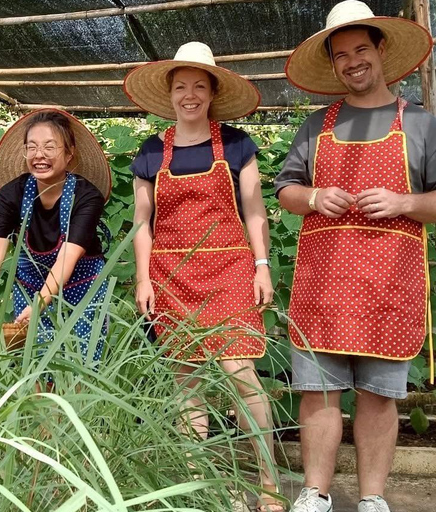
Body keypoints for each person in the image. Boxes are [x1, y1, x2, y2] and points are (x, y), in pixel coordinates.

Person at [277, 2, 436, 511]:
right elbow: (285, 191)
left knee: (378, 395)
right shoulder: (315, 126)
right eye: (341, 55)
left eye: (361, 49)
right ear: (333, 64)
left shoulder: (421, 124)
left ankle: (371, 499)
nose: (352, 62)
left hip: (390, 282)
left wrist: (405, 202)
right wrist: (315, 197)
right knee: (317, 391)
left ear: (381, 49)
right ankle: (314, 494)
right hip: (325, 284)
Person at [124, 41, 283, 511]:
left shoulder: (236, 145)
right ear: (170, 94)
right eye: (181, 87)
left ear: (212, 93)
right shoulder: (151, 153)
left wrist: (261, 265)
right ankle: (198, 486)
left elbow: (255, 210)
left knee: (242, 374)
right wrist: (143, 278)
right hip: (171, 274)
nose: (189, 95)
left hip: (232, 269)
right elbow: (141, 222)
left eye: (199, 86)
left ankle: (270, 485)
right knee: (185, 380)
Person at [0, 109, 111, 370]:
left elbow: (68, 255)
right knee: (36, 367)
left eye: (49, 147)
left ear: (69, 152)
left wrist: (42, 302)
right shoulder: (12, 194)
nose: (39, 155)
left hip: (83, 288)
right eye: (31, 147)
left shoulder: (87, 197)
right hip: (30, 287)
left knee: (82, 367)